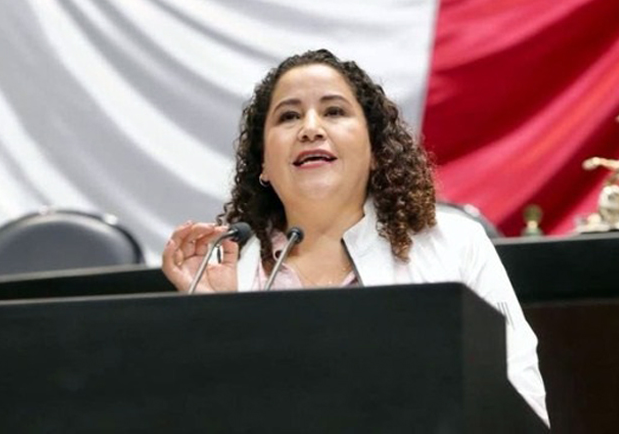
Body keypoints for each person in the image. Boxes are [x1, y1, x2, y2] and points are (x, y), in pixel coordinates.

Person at [161, 49, 549, 423]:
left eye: (334, 111)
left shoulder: (456, 245)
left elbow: (521, 397)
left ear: (376, 150)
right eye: (289, 116)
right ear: (263, 161)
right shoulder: (231, 279)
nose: (310, 129)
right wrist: (214, 320)